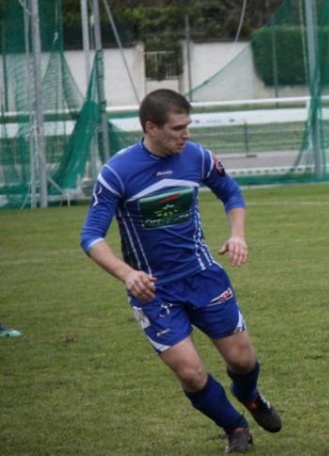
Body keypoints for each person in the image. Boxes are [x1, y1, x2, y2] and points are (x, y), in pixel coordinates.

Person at [80, 89, 281, 454]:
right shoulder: (117, 173)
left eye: (188, 126)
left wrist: (237, 235)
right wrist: (127, 274)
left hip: (203, 276)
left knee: (242, 359)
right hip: (153, 290)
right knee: (190, 372)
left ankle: (250, 396)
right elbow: (91, 236)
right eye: (177, 129)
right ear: (150, 128)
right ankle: (234, 427)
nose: (185, 135)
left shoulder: (197, 157)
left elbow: (231, 194)